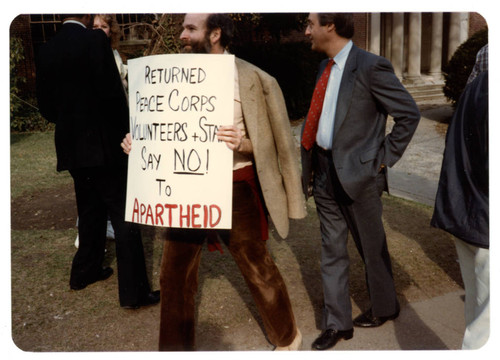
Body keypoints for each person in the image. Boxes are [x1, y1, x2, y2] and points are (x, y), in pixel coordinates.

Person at [121, 13, 306, 351]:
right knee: (173, 274)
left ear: (216, 33)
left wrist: (243, 143)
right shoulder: (167, 77)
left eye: (191, 28)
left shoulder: (253, 78)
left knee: (256, 265)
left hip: (238, 186)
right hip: (184, 189)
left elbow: (279, 144)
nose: (182, 35)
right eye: (182, 28)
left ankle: (287, 339)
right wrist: (138, 142)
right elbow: (161, 131)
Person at [300, 13, 420, 350]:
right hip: (323, 170)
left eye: (310, 23)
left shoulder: (371, 66)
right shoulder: (323, 68)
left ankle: (384, 306)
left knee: (372, 247)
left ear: (330, 27)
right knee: (331, 249)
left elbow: (408, 114)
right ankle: (337, 324)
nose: (306, 30)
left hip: (360, 175)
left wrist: (381, 160)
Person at [36, 14, 159, 309]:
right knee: (122, 213)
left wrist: (69, 123)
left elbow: (45, 106)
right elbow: (112, 95)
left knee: (89, 209)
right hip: (105, 145)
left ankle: (83, 273)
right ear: (85, 13)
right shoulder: (95, 40)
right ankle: (134, 293)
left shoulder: (46, 47)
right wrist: (126, 133)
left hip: (71, 147)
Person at [431, 51, 489, 349]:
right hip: (485, 218)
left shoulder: (473, 90)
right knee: (486, 328)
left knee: (478, 313)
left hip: (467, 212)